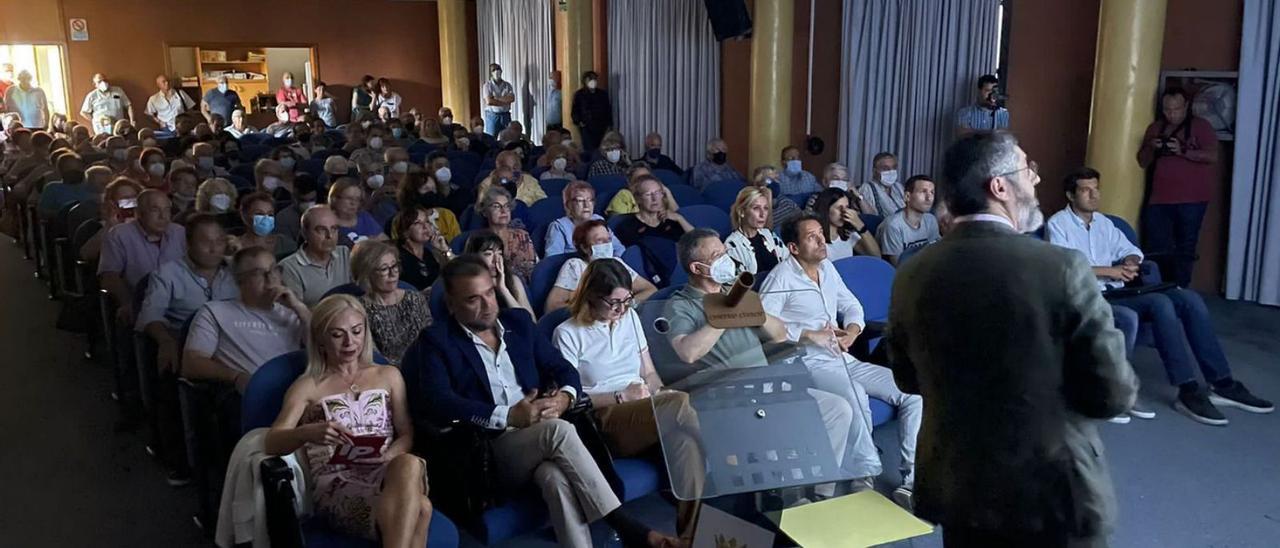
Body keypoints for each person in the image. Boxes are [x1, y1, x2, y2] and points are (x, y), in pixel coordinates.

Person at [886, 132, 1136, 547]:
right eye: (1026, 169)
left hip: (959, 488)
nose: (1035, 180)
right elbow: (1112, 394)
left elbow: (908, 380)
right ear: (998, 186)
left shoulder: (911, 275)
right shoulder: (1062, 268)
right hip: (1051, 492)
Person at [401, 256, 679, 548]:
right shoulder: (436, 341)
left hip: (536, 437)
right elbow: (440, 402)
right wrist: (508, 416)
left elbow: (563, 370)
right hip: (486, 448)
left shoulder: (518, 323)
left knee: (554, 478)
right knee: (558, 431)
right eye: (473, 299)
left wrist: (564, 396)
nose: (487, 305)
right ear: (451, 304)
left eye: (489, 293)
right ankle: (632, 530)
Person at [1047, 167, 1272, 426]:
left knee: (1189, 299)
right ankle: (1187, 389)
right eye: (1086, 190)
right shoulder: (1058, 224)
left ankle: (1222, 383)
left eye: (1096, 189)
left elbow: (1130, 249)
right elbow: (1067, 265)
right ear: (1070, 195)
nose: (1093, 195)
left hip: (1121, 289)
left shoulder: (1105, 223)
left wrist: (1131, 260)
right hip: (1093, 295)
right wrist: (1111, 271)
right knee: (1161, 304)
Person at [663, 228, 867, 497]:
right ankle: (789, 500)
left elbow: (780, 334)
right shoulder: (680, 305)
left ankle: (821, 492)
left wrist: (750, 308)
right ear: (697, 267)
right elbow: (687, 352)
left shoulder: (735, 292)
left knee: (837, 408)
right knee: (781, 435)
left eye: (725, 252)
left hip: (770, 385)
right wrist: (723, 316)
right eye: (716, 256)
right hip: (729, 396)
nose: (726, 259)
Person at [761, 214, 924, 507]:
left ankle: (910, 481)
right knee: (855, 397)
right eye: (811, 236)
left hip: (841, 356)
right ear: (793, 248)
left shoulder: (827, 269)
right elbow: (762, 326)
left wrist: (852, 331)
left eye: (821, 233)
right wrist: (807, 335)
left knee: (912, 392)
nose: (822, 240)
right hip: (806, 363)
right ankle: (863, 477)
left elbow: (851, 304)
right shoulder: (781, 277)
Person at [552, 259, 703, 541]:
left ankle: (689, 539)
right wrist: (621, 397)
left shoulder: (630, 318)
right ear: (591, 297)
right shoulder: (567, 334)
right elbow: (571, 400)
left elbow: (648, 372)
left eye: (627, 300)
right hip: (603, 418)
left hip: (647, 409)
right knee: (682, 405)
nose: (622, 309)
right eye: (614, 303)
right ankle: (722, 447)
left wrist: (660, 393)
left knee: (686, 444)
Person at [264, 295, 431, 546]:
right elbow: (272, 442)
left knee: (408, 463)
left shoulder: (388, 375)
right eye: (337, 334)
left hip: (385, 468)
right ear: (320, 339)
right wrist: (308, 432)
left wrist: (389, 455)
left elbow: (406, 433)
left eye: (356, 331)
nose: (350, 342)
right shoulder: (308, 386)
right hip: (337, 482)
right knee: (422, 507)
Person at [136, 214, 239, 483]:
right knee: (173, 375)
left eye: (219, 241)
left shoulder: (236, 271)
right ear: (188, 245)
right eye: (206, 242)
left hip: (231, 344)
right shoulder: (166, 274)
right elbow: (150, 317)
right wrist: (166, 341)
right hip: (185, 345)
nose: (214, 248)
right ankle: (180, 458)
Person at [184, 246, 309, 394]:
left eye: (274, 270)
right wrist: (236, 377)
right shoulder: (215, 312)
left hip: (298, 393)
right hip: (249, 396)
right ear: (239, 281)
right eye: (259, 273)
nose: (270, 278)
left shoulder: (293, 313)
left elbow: (326, 351)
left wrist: (300, 308)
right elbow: (191, 364)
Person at [1136, 87, 1218, 288]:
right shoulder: (1155, 128)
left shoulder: (1201, 126)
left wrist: (1183, 151)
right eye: (1167, 110)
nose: (1171, 114)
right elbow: (1142, 161)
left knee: (1185, 248)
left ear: (1186, 107)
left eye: (1176, 109)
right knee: (1155, 246)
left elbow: (1212, 156)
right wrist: (1152, 148)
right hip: (1159, 199)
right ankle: (1155, 288)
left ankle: (1180, 289)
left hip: (1193, 199)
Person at [98, 189, 187, 325]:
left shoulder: (179, 232)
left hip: (181, 302)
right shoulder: (119, 235)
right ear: (139, 213)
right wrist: (128, 303)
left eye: (167, 210)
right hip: (141, 304)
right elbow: (110, 277)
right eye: (155, 210)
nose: (163, 216)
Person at [546, 220, 657, 314]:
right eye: (600, 241)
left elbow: (650, 289)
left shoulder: (616, 262)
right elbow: (552, 307)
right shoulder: (575, 266)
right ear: (585, 247)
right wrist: (596, 311)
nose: (607, 244)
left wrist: (625, 305)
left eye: (608, 240)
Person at [350, 241, 432, 366]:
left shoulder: (415, 298)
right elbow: (370, 356)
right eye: (384, 269)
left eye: (394, 266)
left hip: (426, 366)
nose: (393, 273)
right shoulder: (359, 310)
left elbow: (431, 339)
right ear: (367, 274)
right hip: (386, 373)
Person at [280, 205, 354, 306]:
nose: (330, 236)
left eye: (334, 229)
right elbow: (295, 315)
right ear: (304, 233)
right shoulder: (289, 268)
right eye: (321, 230)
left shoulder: (345, 254)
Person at [464, 231, 536, 317]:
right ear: (473, 257)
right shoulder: (465, 285)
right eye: (488, 254)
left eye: (499, 254)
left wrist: (503, 289)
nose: (496, 259)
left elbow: (530, 323)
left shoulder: (513, 280)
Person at [544, 181, 624, 257]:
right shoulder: (559, 227)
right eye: (580, 200)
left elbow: (619, 249)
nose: (586, 205)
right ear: (568, 205)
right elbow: (552, 259)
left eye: (590, 200)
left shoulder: (598, 220)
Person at [477, 186, 538, 282]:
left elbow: (533, 271)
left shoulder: (522, 236)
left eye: (506, 206)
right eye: (496, 206)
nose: (503, 211)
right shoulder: (479, 240)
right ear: (485, 212)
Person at [724, 186, 789, 275]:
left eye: (765, 208)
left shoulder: (768, 235)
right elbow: (741, 284)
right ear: (742, 212)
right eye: (756, 208)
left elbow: (789, 262)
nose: (762, 214)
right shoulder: (732, 245)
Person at [613, 175, 692, 248]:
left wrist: (680, 219)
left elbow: (697, 242)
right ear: (638, 198)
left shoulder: (672, 220)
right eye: (648, 194)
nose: (654, 198)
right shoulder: (628, 226)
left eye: (657, 193)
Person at [876, 175, 940, 265]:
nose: (929, 198)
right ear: (907, 196)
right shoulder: (893, 225)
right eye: (923, 192)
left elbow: (935, 253)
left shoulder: (931, 220)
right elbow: (898, 267)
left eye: (932, 192)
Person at [80, 177, 142, 263]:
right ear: (111, 203)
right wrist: (110, 227)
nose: (131, 203)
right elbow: (85, 255)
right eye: (125, 199)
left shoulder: (148, 223)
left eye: (135, 198)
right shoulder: (92, 227)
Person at [391, 205, 452, 291]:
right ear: (405, 232)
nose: (425, 227)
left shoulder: (429, 253)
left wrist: (445, 250)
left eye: (426, 221)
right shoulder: (398, 258)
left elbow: (454, 273)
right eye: (417, 223)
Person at [811, 188, 881, 260]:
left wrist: (860, 226)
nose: (845, 212)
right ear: (826, 209)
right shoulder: (816, 238)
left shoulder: (847, 233)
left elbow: (876, 256)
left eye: (847, 207)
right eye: (839, 208)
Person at [229, 191, 298, 258]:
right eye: (259, 213)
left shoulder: (284, 243)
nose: (266, 218)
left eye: (270, 214)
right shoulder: (235, 246)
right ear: (244, 216)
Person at [329, 178, 387, 247]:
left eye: (357, 199)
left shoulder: (363, 216)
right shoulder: (327, 220)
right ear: (334, 198)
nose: (353, 203)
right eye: (349, 198)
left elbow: (384, 241)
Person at [474, 150, 547, 206]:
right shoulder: (487, 183)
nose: (512, 172)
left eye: (515, 168)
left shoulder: (530, 180)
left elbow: (543, 202)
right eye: (507, 169)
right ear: (498, 168)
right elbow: (480, 209)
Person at [570, 71, 612, 153]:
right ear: (585, 81)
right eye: (590, 79)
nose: (593, 81)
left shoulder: (602, 94)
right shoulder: (579, 95)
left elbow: (607, 109)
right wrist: (579, 122)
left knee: (601, 148)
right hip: (587, 127)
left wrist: (609, 124)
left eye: (594, 79)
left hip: (601, 126)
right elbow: (575, 110)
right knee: (589, 149)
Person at [856, 152, 906, 218]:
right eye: (885, 169)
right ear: (874, 171)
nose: (891, 172)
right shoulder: (867, 188)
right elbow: (870, 217)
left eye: (894, 168)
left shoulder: (898, 187)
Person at [480, 63, 515, 135]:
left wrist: (496, 98)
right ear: (491, 73)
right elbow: (489, 101)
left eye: (498, 69)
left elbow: (511, 99)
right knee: (492, 137)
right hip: (493, 116)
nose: (496, 71)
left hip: (505, 115)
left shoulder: (507, 85)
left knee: (508, 136)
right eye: (494, 70)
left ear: (501, 71)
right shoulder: (487, 85)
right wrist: (505, 101)